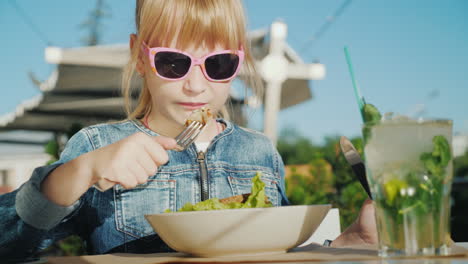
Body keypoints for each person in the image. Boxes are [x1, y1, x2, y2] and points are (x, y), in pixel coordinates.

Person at [0, 0, 376, 258]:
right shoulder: (99, 146)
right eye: (174, 62)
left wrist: (351, 240)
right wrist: (81, 171)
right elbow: (9, 243)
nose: (197, 86)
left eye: (219, 64)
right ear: (139, 57)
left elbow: (287, 254)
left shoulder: (260, 152)